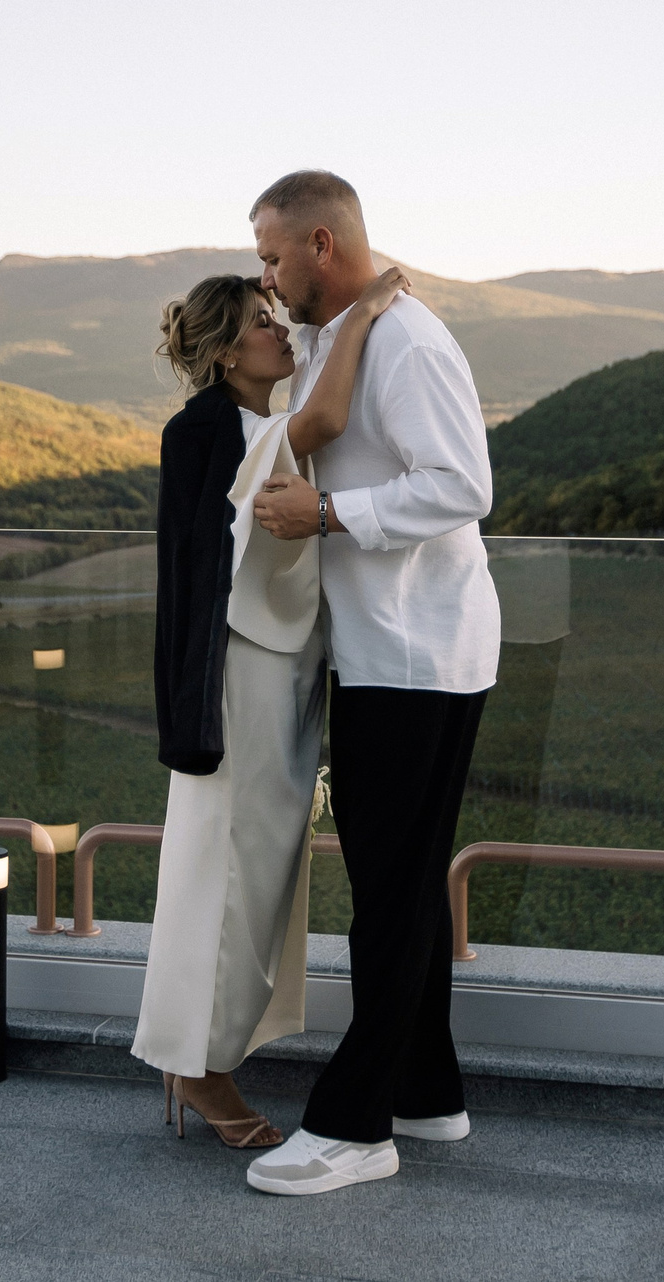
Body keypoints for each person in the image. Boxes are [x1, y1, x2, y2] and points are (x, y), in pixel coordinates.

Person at [239, 170, 501, 1198]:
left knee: (388, 892)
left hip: (416, 657)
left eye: (272, 255)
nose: (265, 277)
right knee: (405, 879)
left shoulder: (412, 344)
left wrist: (330, 516)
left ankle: (355, 1127)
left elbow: (463, 484)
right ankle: (428, 1092)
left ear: (320, 243)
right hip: (384, 652)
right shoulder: (344, 333)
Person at [135, 260, 410, 1147]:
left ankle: (203, 1054)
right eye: (261, 322)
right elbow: (322, 421)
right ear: (224, 353)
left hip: (280, 669)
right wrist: (362, 312)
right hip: (240, 677)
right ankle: (198, 1066)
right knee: (228, 864)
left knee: (260, 862)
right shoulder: (208, 428)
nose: (278, 330)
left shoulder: (250, 425)